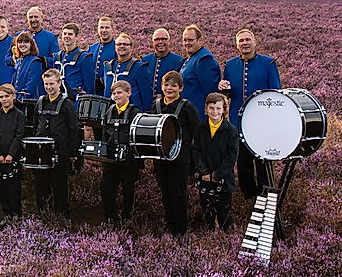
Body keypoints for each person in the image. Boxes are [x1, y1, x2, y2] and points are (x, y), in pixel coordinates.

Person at [219, 29, 281, 199]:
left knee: (263, 161)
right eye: (241, 41)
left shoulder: (268, 64)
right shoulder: (230, 65)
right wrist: (223, 88)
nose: (244, 43)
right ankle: (249, 195)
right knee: (243, 161)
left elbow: (276, 94)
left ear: (255, 42)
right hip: (239, 121)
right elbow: (228, 94)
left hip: (262, 122)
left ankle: (266, 193)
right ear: (236, 44)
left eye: (247, 40)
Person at [150, 70, 200, 239]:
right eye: (166, 85)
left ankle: (181, 230)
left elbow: (196, 135)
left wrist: (195, 162)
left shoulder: (188, 108)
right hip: (160, 159)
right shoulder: (156, 106)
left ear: (181, 88)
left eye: (173, 85)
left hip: (180, 160)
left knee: (178, 194)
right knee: (165, 194)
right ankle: (170, 226)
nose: (169, 88)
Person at [34, 69, 80, 218]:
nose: (49, 87)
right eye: (46, 84)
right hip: (41, 151)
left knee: (59, 185)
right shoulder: (40, 102)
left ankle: (62, 215)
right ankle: (44, 214)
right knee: (41, 184)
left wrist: (72, 152)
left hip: (61, 151)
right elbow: (35, 125)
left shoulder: (67, 104)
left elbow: (74, 129)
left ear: (59, 83)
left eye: (52, 84)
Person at [194, 92, 238, 231]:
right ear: (206, 109)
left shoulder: (230, 130)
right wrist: (204, 170)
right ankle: (211, 233)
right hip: (205, 177)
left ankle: (226, 235)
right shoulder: (200, 128)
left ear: (224, 110)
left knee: (224, 210)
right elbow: (195, 150)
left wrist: (217, 174)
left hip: (223, 178)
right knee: (207, 209)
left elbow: (231, 156)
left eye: (218, 108)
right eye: (211, 108)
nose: (215, 111)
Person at [99, 80, 141, 224]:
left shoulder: (135, 112)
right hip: (111, 159)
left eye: (119, 93)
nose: (116, 96)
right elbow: (105, 133)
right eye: (114, 93)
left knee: (128, 191)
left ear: (129, 93)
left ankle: (127, 218)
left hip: (128, 160)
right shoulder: (109, 111)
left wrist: (139, 163)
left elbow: (138, 137)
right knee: (106, 189)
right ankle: (110, 218)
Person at [0, 84, 26, 222]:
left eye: (7, 96)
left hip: (13, 157)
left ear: (13, 96)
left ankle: (16, 213)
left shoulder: (19, 115)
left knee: (14, 187)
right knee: (1, 187)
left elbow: (19, 135)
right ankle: (6, 213)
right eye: (1, 97)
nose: (4, 99)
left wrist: (11, 154)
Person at [102, 33, 153, 112]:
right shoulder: (108, 66)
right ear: (115, 47)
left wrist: (146, 112)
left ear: (131, 47)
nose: (122, 46)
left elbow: (146, 94)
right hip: (112, 112)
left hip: (132, 112)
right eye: (119, 44)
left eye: (125, 44)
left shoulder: (140, 67)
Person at [180, 25, 221, 118]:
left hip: (199, 117)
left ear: (200, 40)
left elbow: (210, 93)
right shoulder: (192, 58)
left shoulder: (204, 60)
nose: (187, 43)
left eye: (190, 40)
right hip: (190, 115)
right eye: (184, 40)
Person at [50, 23, 91, 99]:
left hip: (75, 99)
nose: (67, 36)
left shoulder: (84, 57)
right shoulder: (57, 56)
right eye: (65, 34)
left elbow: (89, 85)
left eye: (70, 34)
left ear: (76, 37)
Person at [141, 28, 183, 100]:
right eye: (157, 39)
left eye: (163, 39)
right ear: (153, 42)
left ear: (169, 41)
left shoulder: (179, 61)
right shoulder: (145, 60)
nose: (160, 42)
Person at [10, 32, 45, 100]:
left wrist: (20, 99)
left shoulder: (35, 61)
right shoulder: (19, 60)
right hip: (16, 99)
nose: (22, 44)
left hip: (28, 101)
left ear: (31, 44)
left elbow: (31, 85)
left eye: (26, 42)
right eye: (20, 42)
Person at [87, 16, 117, 94]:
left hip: (109, 91)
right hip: (92, 91)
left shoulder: (116, 47)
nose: (104, 30)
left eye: (107, 27)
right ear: (98, 29)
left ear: (112, 29)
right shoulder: (91, 48)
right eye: (101, 27)